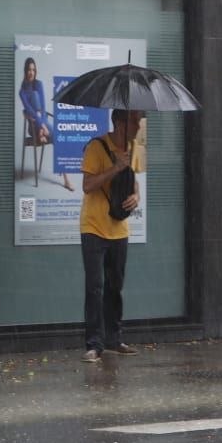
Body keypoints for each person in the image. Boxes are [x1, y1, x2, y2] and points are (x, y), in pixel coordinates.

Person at [79, 108, 142, 364]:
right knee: (95, 287)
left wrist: (136, 196)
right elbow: (87, 185)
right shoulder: (96, 146)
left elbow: (134, 179)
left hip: (120, 229)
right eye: (134, 121)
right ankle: (94, 344)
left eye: (139, 121)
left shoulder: (134, 146)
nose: (138, 125)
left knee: (115, 286)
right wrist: (115, 167)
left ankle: (114, 339)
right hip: (94, 226)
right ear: (119, 122)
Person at [18, 57, 72, 191]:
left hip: (42, 124)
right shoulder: (22, 91)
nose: (31, 72)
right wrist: (42, 124)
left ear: (35, 71)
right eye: (29, 70)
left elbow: (42, 107)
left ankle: (66, 179)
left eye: (33, 70)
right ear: (25, 71)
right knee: (34, 100)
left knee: (59, 138)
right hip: (32, 126)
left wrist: (42, 124)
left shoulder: (39, 84)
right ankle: (41, 132)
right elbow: (28, 109)